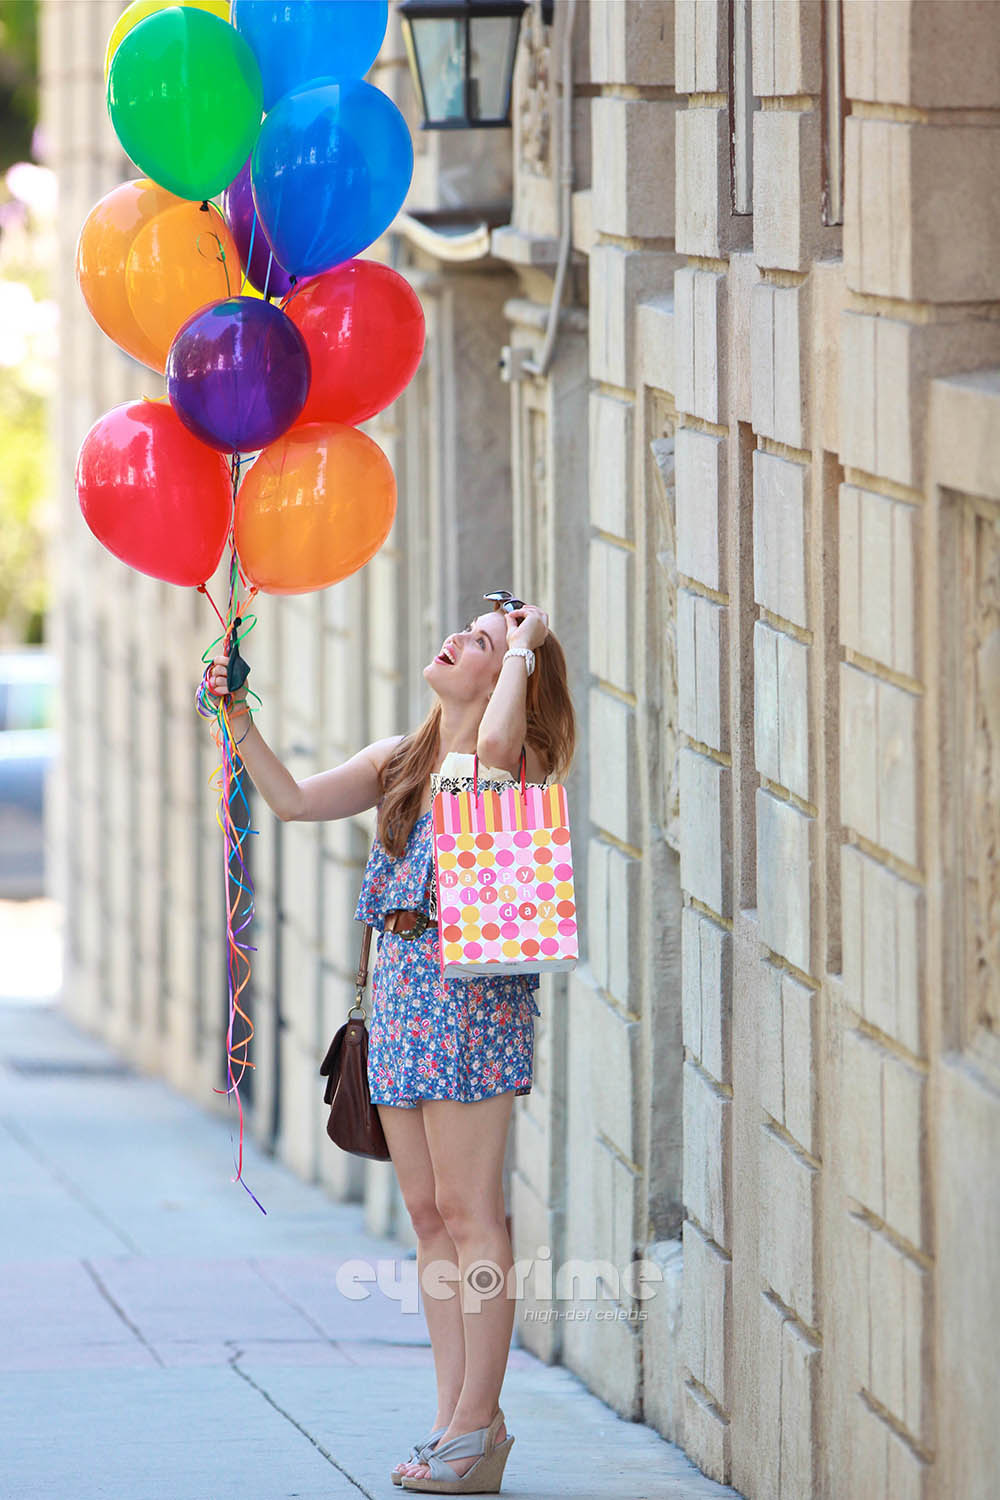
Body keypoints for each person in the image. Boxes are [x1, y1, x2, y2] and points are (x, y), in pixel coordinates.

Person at [203, 591, 576, 1495]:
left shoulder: (513, 758)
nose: (458, 639)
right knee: (428, 1218)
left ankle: (476, 1427)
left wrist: (525, 641)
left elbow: (488, 748)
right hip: (404, 1003)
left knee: (474, 1213)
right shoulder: (400, 762)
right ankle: (456, 1422)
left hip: (473, 1002)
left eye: (481, 641)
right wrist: (237, 715)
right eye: (471, 630)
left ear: (508, 678)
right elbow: (290, 802)